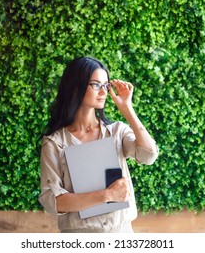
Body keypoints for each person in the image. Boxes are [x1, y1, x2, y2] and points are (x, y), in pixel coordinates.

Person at [39, 56, 159, 233]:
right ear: (76, 86)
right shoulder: (55, 143)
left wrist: (128, 109)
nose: (103, 92)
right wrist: (107, 196)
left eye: (106, 85)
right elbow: (54, 201)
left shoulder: (116, 132)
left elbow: (148, 155)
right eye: (96, 85)